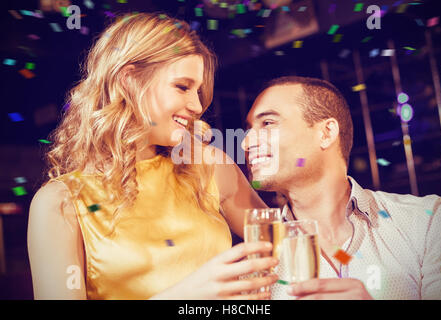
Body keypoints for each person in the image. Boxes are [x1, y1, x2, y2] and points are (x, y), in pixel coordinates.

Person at [27, 13, 279, 300]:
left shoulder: (210, 167)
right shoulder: (60, 202)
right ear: (129, 80)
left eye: (198, 91)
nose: (197, 105)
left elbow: (288, 247)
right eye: (182, 87)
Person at [242, 76, 441, 300]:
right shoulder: (257, 263)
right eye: (248, 129)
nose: (245, 143)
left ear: (326, 133)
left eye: (268, 123)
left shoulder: (425, 221)